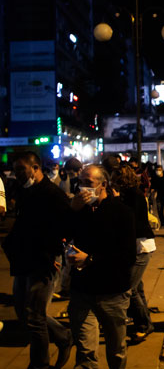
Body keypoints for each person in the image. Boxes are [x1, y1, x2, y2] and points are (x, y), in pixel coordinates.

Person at [2, 152, 73, 369]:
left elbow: (65, 228)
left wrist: (53, 254)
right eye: (15, 170)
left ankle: (40, 364)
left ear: (35, 168)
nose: (18, 174)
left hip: (43, 262)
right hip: (24, 260)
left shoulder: (52, 194)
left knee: (34, 317)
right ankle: (62, 336)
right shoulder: (26, 192)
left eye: (22, 169)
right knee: (24, 312)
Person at [68, 164, 137, 369]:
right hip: (82, 290)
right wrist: (71, 211)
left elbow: (127, 255)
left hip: (112, 292)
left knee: (116, 350)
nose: (82, 188)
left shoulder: (122, 212)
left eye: (88, 183)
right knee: (85, 351)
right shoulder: (79, 211)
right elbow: (62, 233)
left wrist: (90, 259)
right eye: (80, 182)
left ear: (103, 185)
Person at [111, 165, 157, 342]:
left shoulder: (134, 195)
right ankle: (144, 321)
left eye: (115, 178)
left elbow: (131, 221)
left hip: (141, 245)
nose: (113, 182)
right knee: (137, 287)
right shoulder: (126, 194)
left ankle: (144, 325)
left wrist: (116, 202)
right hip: (133, 245)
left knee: (128, 287)